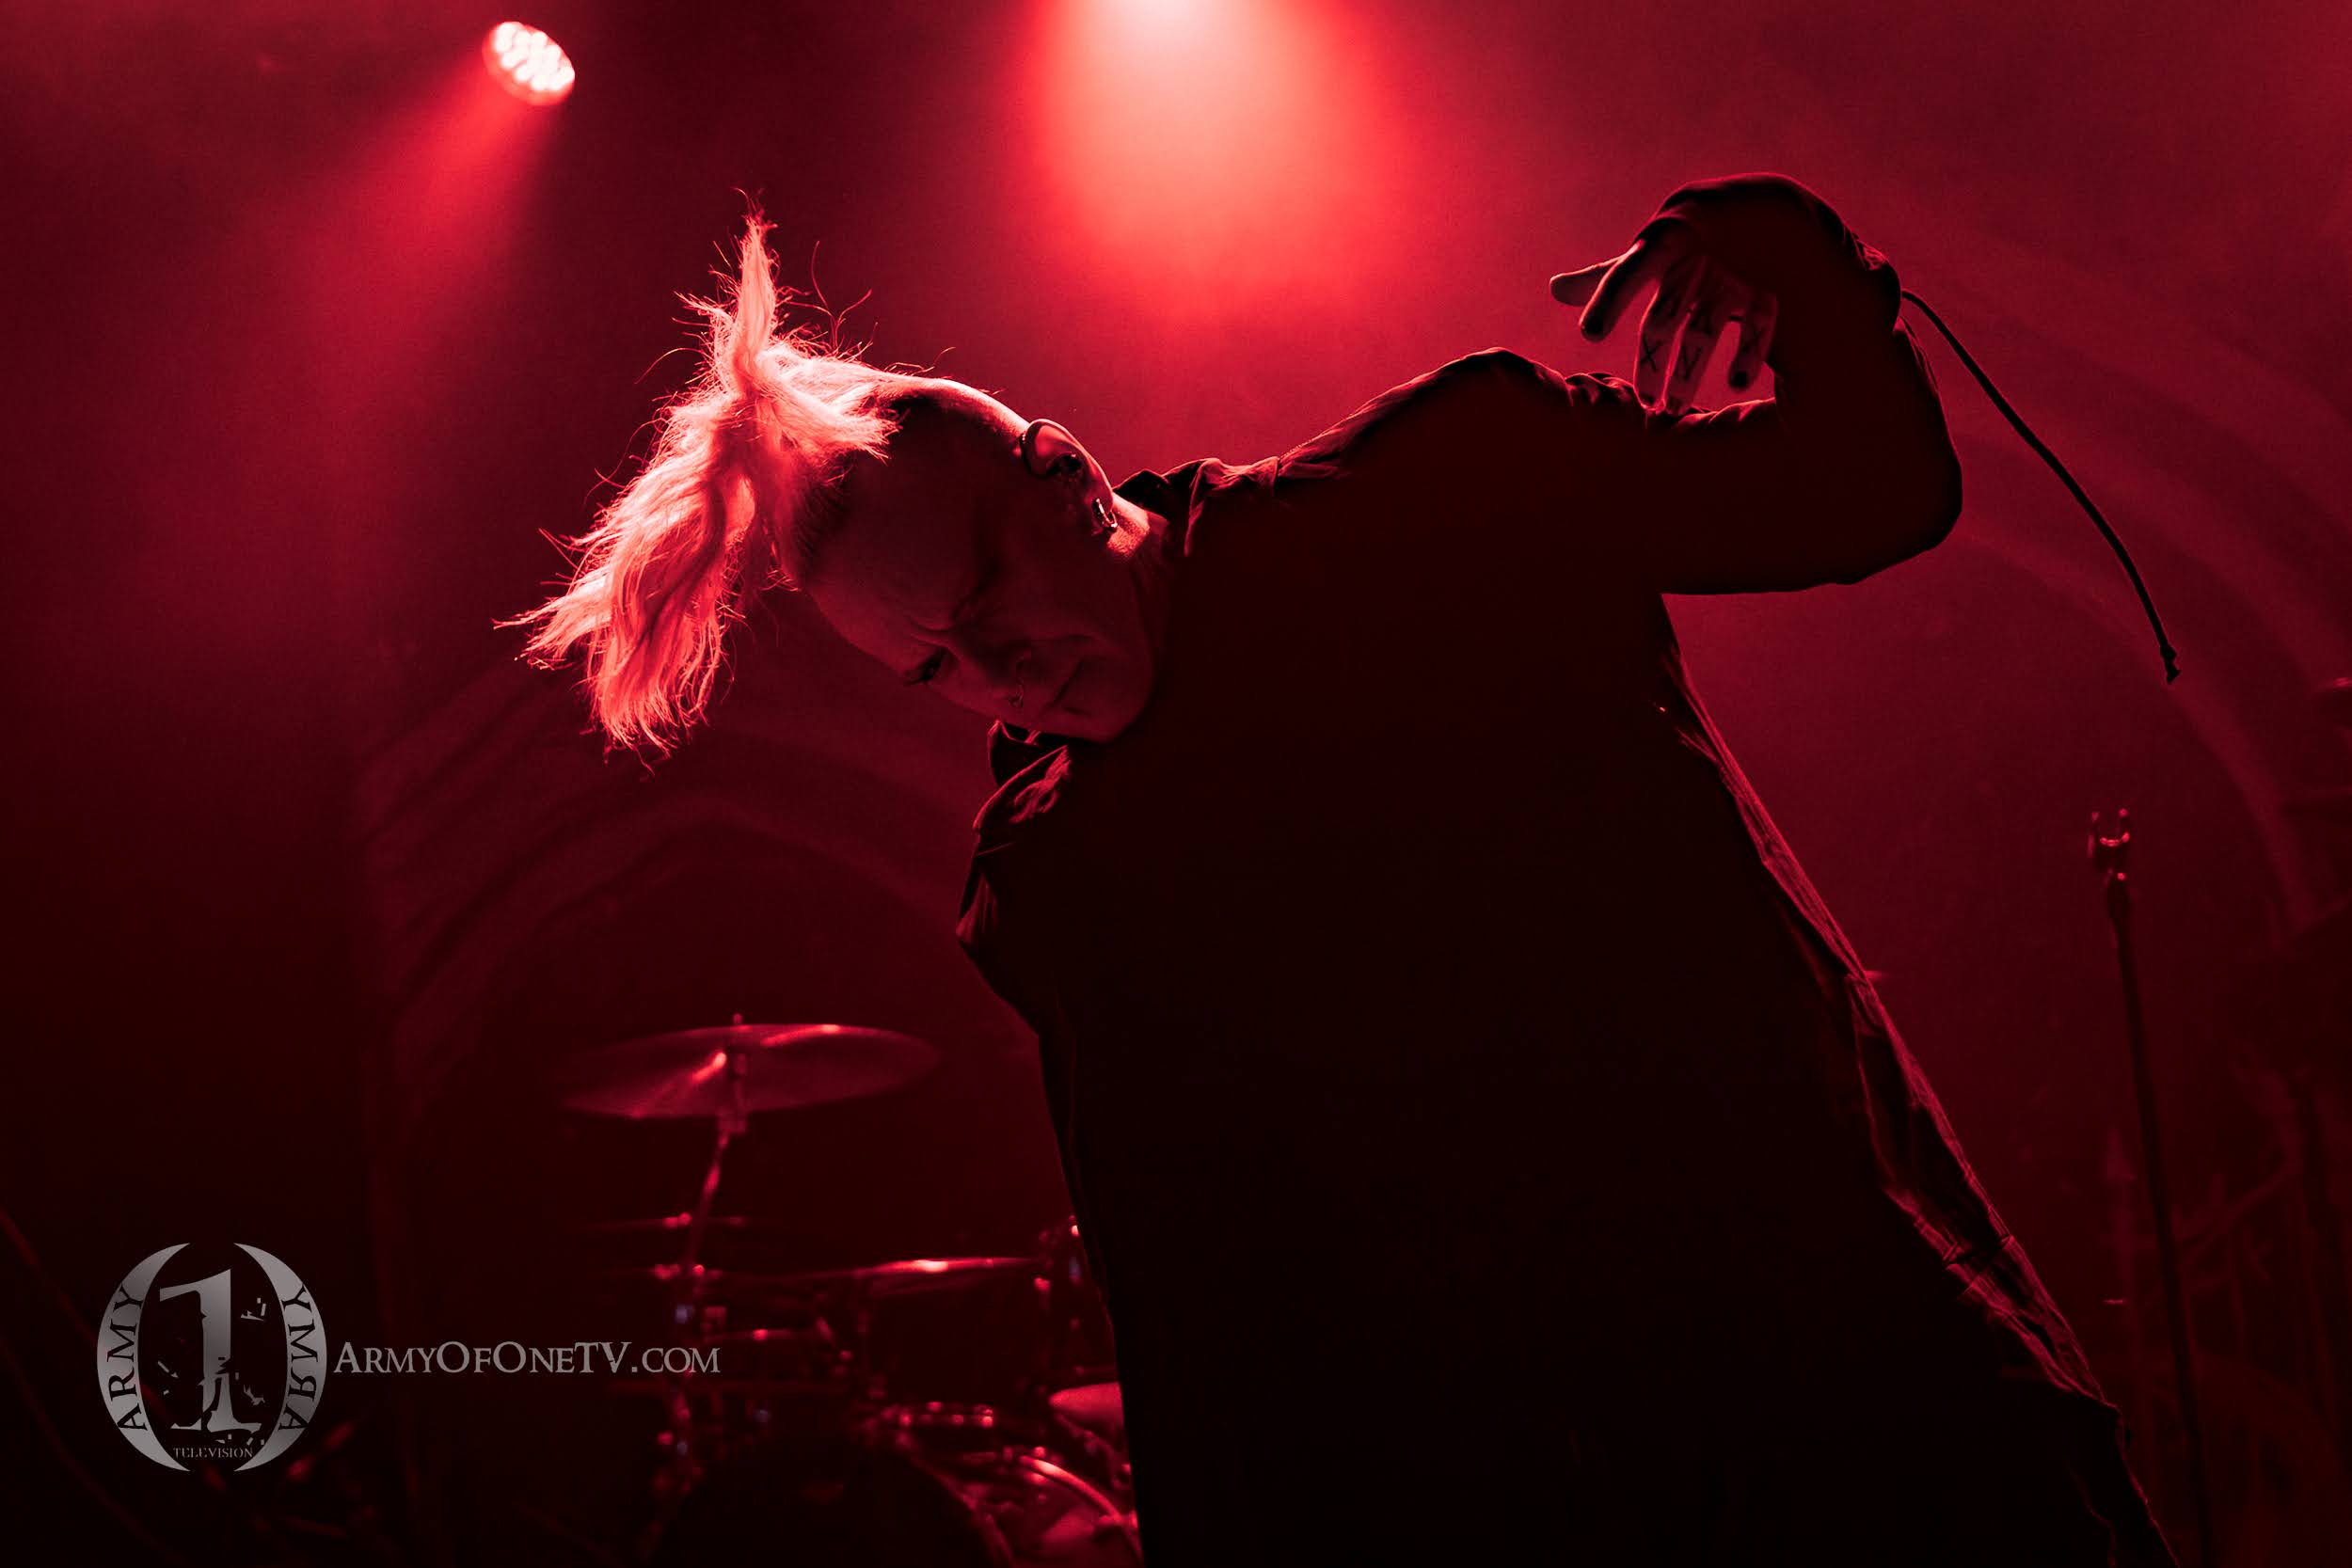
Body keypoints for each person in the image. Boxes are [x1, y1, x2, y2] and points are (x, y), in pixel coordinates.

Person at [517, 172, 2178, 1564]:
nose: (1003, 680)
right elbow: (1205, 1330)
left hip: (1864, 1405)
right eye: (937, 669)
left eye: (988, 603)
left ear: (1065, 474)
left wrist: (1801, 267)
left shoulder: (1449, 485)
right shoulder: (1065, 879)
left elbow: (1872, 491)